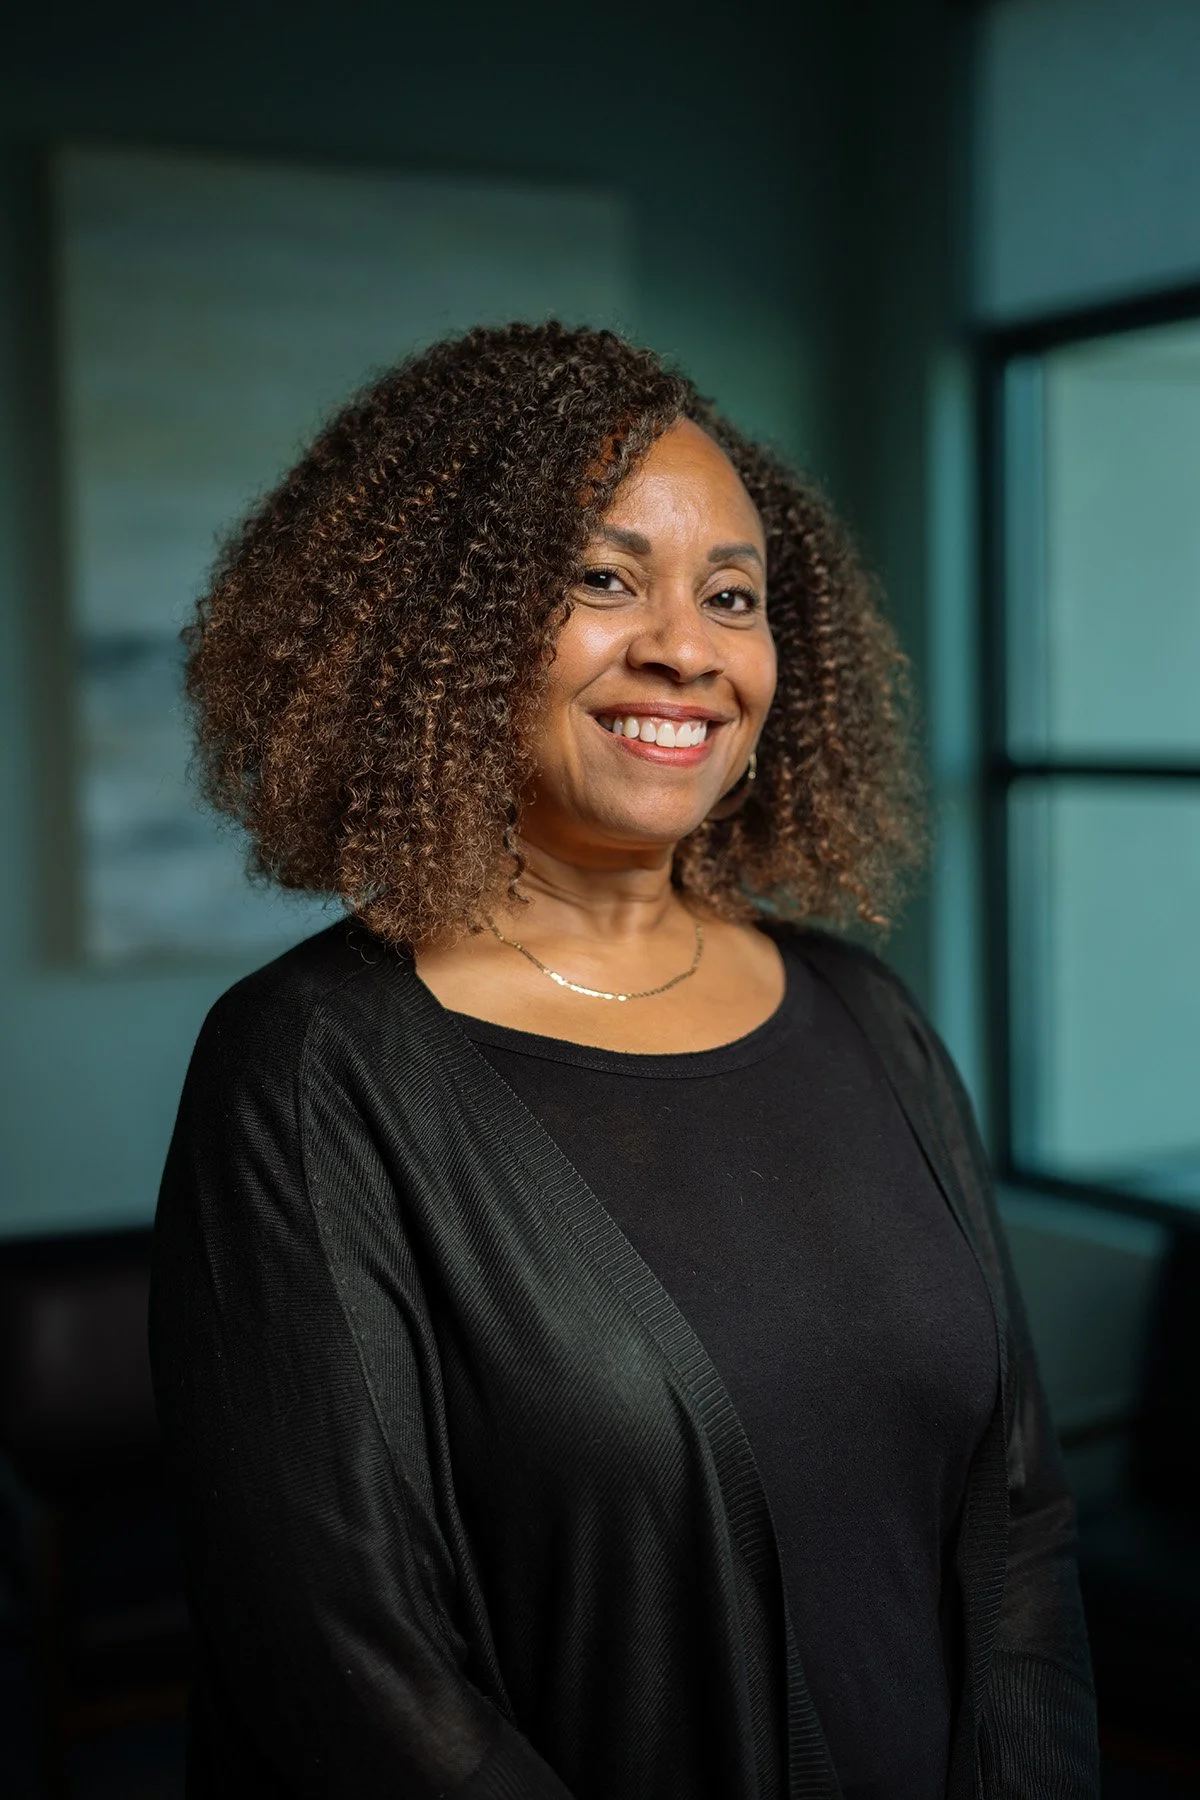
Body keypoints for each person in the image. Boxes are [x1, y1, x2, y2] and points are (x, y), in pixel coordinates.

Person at [149, 321, 1099, 1800]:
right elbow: (348, 1671)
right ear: (435, 630)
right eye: (601, 579)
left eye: (734, 595)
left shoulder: (866, 1014)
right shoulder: (311, 1072)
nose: (686, 647)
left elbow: (1021, 1519)